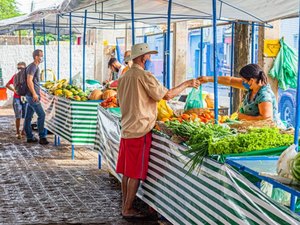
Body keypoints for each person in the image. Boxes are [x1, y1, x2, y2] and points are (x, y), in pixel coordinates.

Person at [116, 43, 200, 219]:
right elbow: (167, 95)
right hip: (140, 128)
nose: (150, 58)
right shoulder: (144, 75)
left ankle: (125, 204)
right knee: (135, 173)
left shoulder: (125, 76)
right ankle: (127, 209)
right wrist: (187, 84)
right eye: (148, 56)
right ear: (142, 58)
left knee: (126, 171)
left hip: (127, 127)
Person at [199, 64, 280, 123]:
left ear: (251, 80)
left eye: (244, 80)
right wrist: (208, 79)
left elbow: (267, 119)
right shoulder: (252, 86)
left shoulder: (264, 95)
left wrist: (243, 117)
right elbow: (230, 80)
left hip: (265, 131)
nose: (242, 82)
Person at [24, 49, 49, 145]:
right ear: (36, 57)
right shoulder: (33, 66)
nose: (42, 57)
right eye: (41, 56)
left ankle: (30, 137)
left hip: (30, 95)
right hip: (32, 96)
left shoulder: (33, 66)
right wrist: (34, 93)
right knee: (41, 115)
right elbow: (29, 81)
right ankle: (42, 137)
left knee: (28, 117)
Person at [5, 62, 27, 139]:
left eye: (22, 68)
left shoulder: (27, 76)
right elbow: (7, 84)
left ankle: (23, 131)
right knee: (18, 116)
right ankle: (18, 131)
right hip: (17, 98)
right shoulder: (15, 76)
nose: (20, 70)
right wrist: (14, 90)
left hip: (25, 98)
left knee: (26, 115)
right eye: (18, 68)